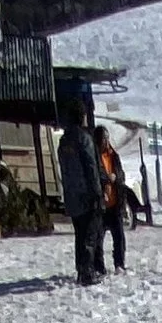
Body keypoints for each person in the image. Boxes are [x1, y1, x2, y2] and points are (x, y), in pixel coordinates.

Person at [59, 114, 105, 282]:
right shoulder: (83, 139)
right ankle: (87, 272)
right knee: (90, 235)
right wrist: (97, 193)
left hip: (72, 196)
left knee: (80, 234)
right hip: (87, 195)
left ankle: (81, 269)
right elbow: (91, 167)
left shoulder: (64, 140)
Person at [96, 131, 136, 271]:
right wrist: (106, 179)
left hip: (115, 203)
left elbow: (121, 175)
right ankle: (99, 267)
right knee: (98, 240)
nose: (105, 142)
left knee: (119, 238)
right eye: (103, 139)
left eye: (107, 138)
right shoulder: (94, 157)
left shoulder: (114, 156)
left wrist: (116, 177)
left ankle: (119, 264)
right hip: (101, 205)